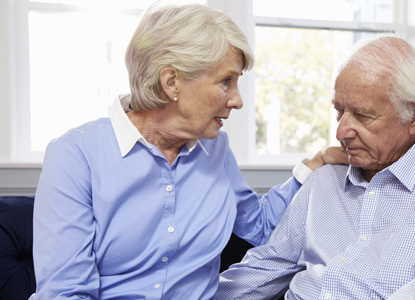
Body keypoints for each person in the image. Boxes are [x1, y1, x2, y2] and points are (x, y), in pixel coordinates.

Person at [31, 2, 347, 300]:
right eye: (226, 82)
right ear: (172, 83)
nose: (237, 101)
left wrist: (313, 167)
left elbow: (259, 226)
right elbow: (66, 292)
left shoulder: (215, 149)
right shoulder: (76, 156)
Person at [216, 34, 415, 300]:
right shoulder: (325, 179)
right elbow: (269, 266)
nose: (341, 132)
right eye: (339, 111)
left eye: (363, 115)